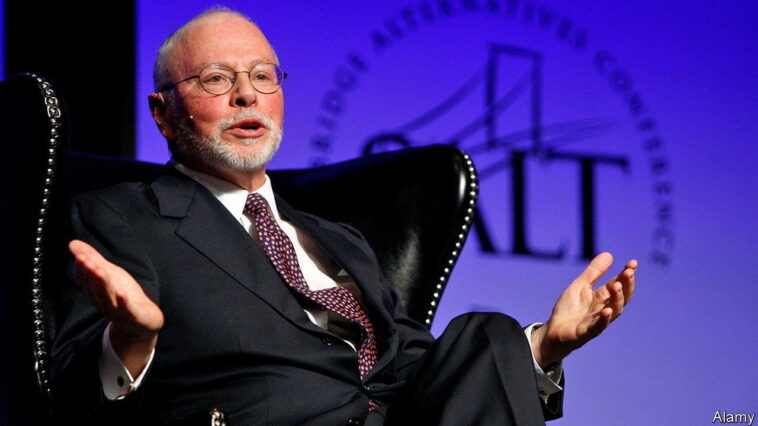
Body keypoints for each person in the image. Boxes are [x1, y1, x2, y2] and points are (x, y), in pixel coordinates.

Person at [51, 8, 637, 426]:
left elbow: (423, 371)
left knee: (488, 332)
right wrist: (131, 337)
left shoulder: (339, 239)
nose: (246, 96)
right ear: (163, 112)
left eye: (262, 76)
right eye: (215, 80)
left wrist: (542, 349)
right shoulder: (122, 215)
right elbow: (65, 391)